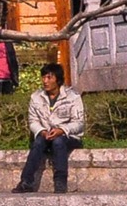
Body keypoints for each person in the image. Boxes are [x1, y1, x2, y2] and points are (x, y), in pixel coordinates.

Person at [14, 65, 84, 194]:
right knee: (38, 142)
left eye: (49, 77)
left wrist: (62, 130)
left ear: (57, 80)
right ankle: (26, 182)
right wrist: (42, 131)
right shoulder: (36, 97)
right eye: (43, 77)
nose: (45, 81)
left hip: (69, 136)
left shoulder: (73, 97)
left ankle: (60, 183)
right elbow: (33, 121)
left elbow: (79, 123)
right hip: (45, 135)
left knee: (59, 142)